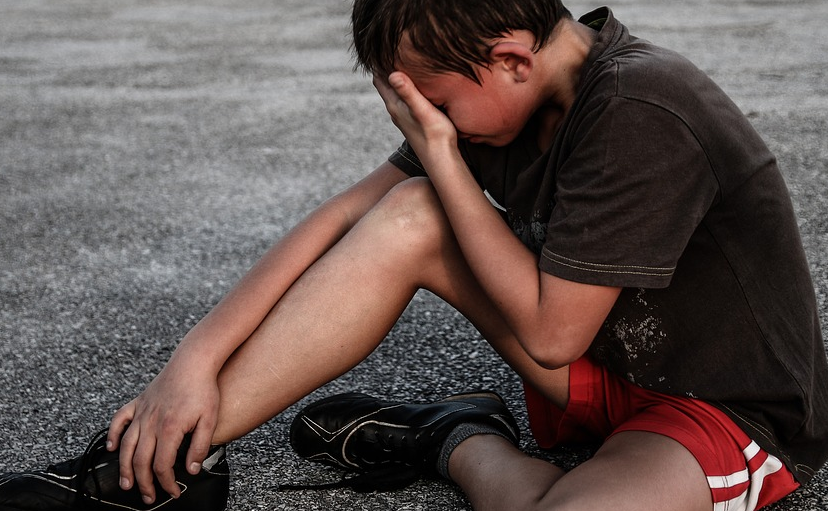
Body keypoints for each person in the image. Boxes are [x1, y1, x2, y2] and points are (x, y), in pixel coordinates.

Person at [2, 0, 827, 510]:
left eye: (434, 105)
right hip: (605, 370)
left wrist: (439, 154)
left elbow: (552, 335)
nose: (428, 124)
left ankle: (456, 438)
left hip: (723, 411)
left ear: (512, 58)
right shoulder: (502, 97)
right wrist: (192, 361)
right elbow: (342, 219)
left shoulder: (642, 108)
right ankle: (154, 469)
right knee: (408, 213)